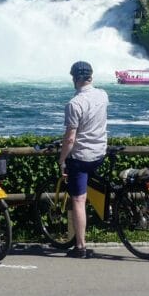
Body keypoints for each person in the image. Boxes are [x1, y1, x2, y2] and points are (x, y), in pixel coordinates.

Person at [58, 60, 109, 259]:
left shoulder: (74, 104)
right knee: (96, 185)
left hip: (82, 157)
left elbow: (70, 138)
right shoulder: (103, 95)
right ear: (90, 77)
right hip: (100, 153)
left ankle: (80, 246)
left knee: (78, 200)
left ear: (75, 78)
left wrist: (62, 159)